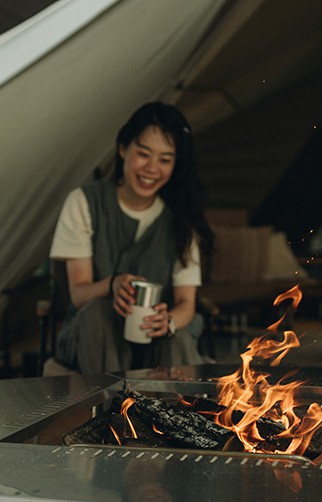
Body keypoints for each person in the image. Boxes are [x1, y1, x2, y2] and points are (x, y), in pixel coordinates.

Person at [49, 101, 213, 373]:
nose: (151, 168)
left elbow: (187, 303)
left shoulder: (181, 217)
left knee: (178, 336)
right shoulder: (85, 202)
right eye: (144, 153)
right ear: (123, 149)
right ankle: (114, 409)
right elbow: (78, 294)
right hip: (95, 337)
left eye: (165, 160)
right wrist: (112, 285)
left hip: (153, 340)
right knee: (97, 314)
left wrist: (168, 320)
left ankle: (178, 415)